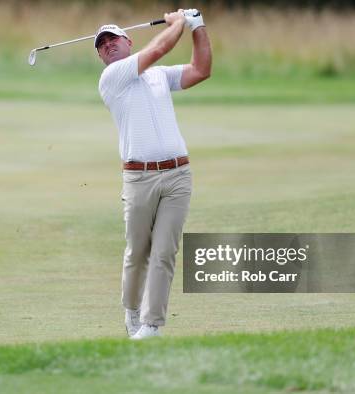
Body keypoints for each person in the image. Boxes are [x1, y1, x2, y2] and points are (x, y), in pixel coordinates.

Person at [96, 9, 211, 339]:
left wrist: (197, 26)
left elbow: (201, 69)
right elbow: (158, 48)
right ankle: (132, 311)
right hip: (139, 179)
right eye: (101, 45)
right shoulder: (112, 78)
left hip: (178, 176)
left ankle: (151, 325)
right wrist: (179, 24)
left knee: (164, 252)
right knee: (137, 253)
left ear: (128, 41)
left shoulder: (159, 76)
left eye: (112, 39)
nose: (107, 46)